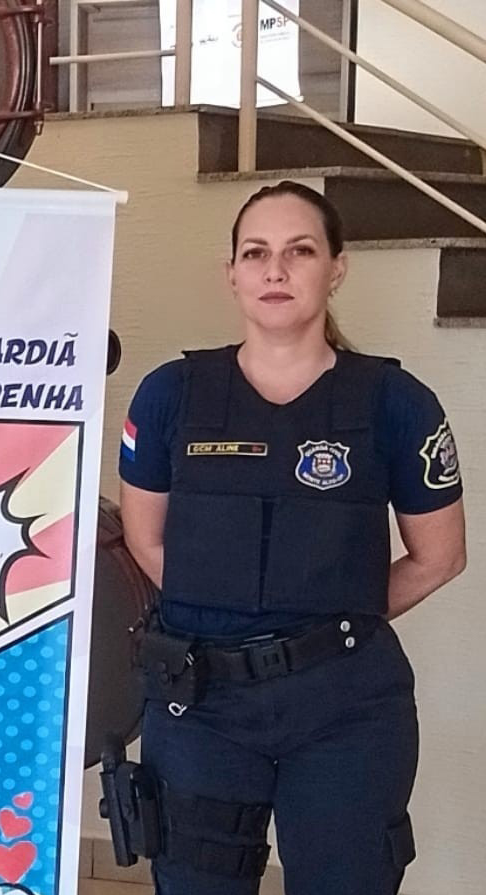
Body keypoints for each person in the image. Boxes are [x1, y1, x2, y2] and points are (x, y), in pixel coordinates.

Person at [118, 181, 466, 895]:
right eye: (255, 253)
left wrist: (323, 623)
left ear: (336, 268)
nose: (274, 270)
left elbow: (440, 556)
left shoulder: (396, 403)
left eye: (299, 251)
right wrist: (233, 617)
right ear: (232, 273)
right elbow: (146, 542)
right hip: (200, 705)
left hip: (345, 707)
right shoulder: (169, 395)